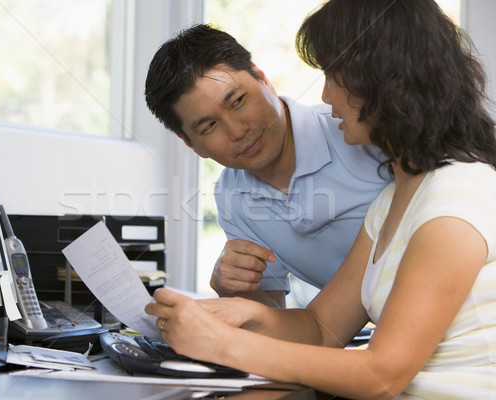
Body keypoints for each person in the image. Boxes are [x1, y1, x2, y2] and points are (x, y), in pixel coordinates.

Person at [145, 0, 496, 398]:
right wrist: (243, 311)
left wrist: (222, 343)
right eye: (209, 125)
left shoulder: (456, 191)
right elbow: (320, 327)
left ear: (384, 82)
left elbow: (382, 374)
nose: (326, 96)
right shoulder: (393, 198)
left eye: (334, 77)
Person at [144, 24, 389, 308]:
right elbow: (274, 320)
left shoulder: (359, 133)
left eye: (238, 101)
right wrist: (231, 288)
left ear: (262, 78)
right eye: (209, 126)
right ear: (191, 144)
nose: (237, 131)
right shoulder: (232, 197)